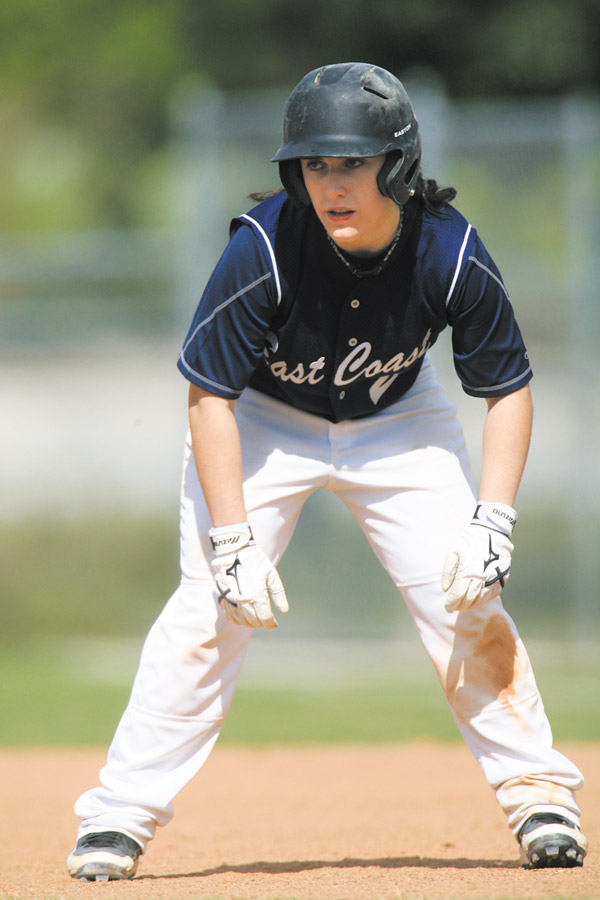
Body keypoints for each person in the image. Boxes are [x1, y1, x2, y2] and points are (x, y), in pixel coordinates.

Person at [67, 62, 587, 881]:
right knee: (209, 607)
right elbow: (209, 398)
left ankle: (538, 797)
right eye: (315, 164)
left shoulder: (449, 252)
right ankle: (119, 817)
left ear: (401, 166)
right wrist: (232, 540)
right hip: (265, 419)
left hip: (399, 421)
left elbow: (509, 390)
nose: (331, 184)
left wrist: (495, 520)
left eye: (352, 162)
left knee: (466, 597)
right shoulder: (265, 246)